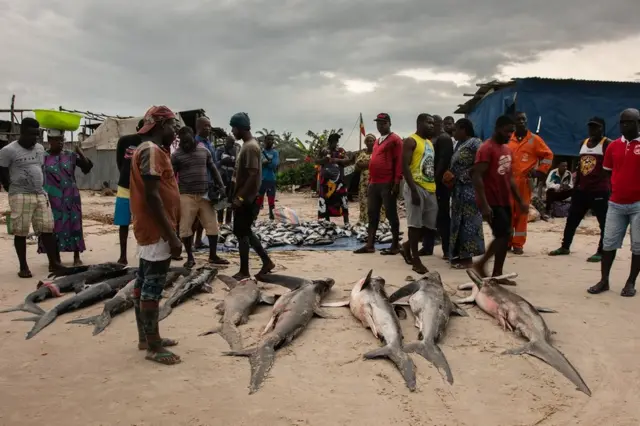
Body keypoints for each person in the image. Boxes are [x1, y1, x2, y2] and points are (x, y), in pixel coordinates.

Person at [129, 105, 182, 365]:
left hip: (151, 229)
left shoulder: (149, 150)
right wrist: (171, 236)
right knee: (152, 286)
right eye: (172, 126)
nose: (175, 131)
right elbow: (152, 196)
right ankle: (154, 346)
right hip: (156, 230)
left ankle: (146, 338)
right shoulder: (150, 151)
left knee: (143, 282)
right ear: (161, 125)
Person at [587, 108, 640, 297]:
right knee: (608, 243)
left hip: (638, 204)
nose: (625, 126)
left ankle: (630, 282)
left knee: (638, 245)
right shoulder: (613, 146)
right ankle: (604, 281)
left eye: (629, 122)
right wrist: (615, 188)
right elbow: (608, 171)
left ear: (638, 123)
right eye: (622, 122)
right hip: (616, 203)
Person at [0, 118, 61, 278]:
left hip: (40, 193)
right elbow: (2, 170)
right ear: (22, 133)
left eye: (37, 135)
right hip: (20, 195)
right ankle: (23, 267)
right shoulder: (8, 150)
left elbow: (40, 168)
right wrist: (9, 187)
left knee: (48, 228)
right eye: (32, 134)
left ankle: (53, 263)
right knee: (21, 231)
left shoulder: (40, 149)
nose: (35, 138)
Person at [472, 115, 528, 284]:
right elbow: (477, 176)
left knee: (505, 236)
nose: (510, 135)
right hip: (491, 200)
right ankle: (481, 264)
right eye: (507, 131)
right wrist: (484, 204)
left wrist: (519, 200)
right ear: (497, 128)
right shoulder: (486, 148)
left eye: (512, 132)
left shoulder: (507, 149)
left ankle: (497, 274)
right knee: (503, 235)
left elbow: (509, 178)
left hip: (505, 200)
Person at [549, 117, 611, 262]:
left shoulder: (607, 144)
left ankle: (602, 251)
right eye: (591, 127)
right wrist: (575, 185)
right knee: (572, 220)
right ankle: (565, 247)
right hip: (582, 190)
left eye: (596, 127)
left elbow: (612, 166)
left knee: (604, 223)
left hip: (599, 190)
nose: (593, 130)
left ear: (602, 128)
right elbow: (580, 166)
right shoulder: (583, 143)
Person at [171, 126, 228, 268]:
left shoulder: (204, 151)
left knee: (212, 226)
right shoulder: (177, 155)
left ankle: (213, 256)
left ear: (193, 136)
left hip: (205, 195)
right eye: (182, 142)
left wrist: (221, 186)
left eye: (188, 141)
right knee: (185, 228)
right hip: (186, 195)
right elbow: (171, 176)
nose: (185, 145)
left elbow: (213, 169)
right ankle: (190, 257)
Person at [229, 112, 275, 280]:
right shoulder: (248, 145)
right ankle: (266, 261)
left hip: (246, 199)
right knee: (245, 231)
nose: (232, 132)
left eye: (233, 128)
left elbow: (253, 175)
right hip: (245, 198)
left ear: (240, 128)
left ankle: (244, 271)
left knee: (241, 233)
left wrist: (240, 198)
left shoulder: (250, 147)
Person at [37, 129, 93, 266]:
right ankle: (55, 258)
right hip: (51, 197)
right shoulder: (42, 157)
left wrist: (80, 152)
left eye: (62, 139)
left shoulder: (71, 155)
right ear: (49, 140)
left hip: (71, 196)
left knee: (74, 224)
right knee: (53, 226)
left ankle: (76, 256)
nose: (60, 143)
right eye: (57, 140)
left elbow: (87, 168)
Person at [354, 113, 402, 255]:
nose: (380, 126)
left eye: (383, 123)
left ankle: (395, 245)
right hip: (374, 183)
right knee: (372, 214)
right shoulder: (377, 141)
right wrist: (370, 182)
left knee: (391, 213)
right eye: (378, 123)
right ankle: (370, 245)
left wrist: (397, 181)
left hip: (387, 182)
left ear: (389, 123)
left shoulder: (395, 140)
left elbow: (399, 161)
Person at [507, 111, 553, 254]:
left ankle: (518, 244)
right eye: (518, 120)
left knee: (521, 213)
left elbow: (548, 155)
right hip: (508, 182)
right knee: (507, 212)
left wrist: (539, 171)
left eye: (524, 119)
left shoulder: (534, 139)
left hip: (524, 183)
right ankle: (507, 241)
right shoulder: (509, 139)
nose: (521, 122)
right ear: (513, 123)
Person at [444, 119, 485, 269]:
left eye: (456, 130)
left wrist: (463, 175)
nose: (453, 133)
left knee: (469, 223)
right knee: (458, 223)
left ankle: (468, 259)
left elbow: (482, 164)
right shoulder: (460, 145)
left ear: (464, 129)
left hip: (469, 189)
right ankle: (459, 255)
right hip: (458, 190)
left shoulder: (475, 143)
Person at [400, 114, 437, 274]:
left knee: (429, 226)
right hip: (415, 187)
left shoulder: (429, 143)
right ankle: (416, 260)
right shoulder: (411, 141)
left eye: (433, 123)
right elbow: (404, 166)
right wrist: (413, 190)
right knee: (414, 225)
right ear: (420, 123)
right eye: (429, 123)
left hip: (430, 188)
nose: (432, 126)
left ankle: (407, 246)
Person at [420, 114, 452, 257]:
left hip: (439, 184)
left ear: (439, 124)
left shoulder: (444, 138)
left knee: (443, 217)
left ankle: (447, 249)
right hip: (428, 182)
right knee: (427, 215)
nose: (431, 126)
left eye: (433, 123)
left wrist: (435, 180)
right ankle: (427, 246)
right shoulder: (429, 139)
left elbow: (443, 162)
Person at [114, 119, 144, 265]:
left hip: (143, 189)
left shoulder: (151, 145)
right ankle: (122, 255)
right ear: (138, 127)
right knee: (123, 222)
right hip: (125, 186)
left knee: (142, 222)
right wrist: (128, 176)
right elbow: (120, 163)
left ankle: (143, 254)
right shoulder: (125, 140)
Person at [316, 133, 352, 224]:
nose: (334, 144)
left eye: (336, 142)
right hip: (326, 182)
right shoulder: (323, 150)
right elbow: (316, 160)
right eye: (332, 142)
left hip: (339, 182)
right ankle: (326, 222)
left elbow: (348, 160)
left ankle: (346, 222)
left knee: (343, 200)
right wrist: (324, 160)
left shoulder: (341, 151)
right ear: (329, 142)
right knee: (325, 200)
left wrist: (337, 160)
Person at [193, 117, 216, 249]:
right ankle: (190, 243)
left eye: (209, 125)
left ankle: (198, 241)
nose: (208, 128)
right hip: (198, 185)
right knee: (194, 217)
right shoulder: (195, 143)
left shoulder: (209, 143)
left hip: (209, 184)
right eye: (205, 126)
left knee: (204, 215)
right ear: (198, 128)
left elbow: (213, 164)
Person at [354, 134, 385, 224]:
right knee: (364, 201)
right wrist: (371, 164)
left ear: (375, 142)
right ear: (365, 142)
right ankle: (365, 221)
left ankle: (379, 222)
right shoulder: (362, 154)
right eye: (368, 141)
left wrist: (366, 164)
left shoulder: (379, 152)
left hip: (377, 182)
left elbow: (380, 164)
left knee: (378, 202)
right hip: (364, 183)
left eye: (372, 140)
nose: (370, 142)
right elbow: (357, 166)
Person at [215, 135, 239, 225]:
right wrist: (222, 161)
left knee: (230, 201)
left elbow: (237, 164)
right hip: (222, 178)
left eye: (233, 143)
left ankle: (228, 223)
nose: (232, 145)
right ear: (226, 141)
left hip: (232, 179)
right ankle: (220, 222)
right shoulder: (220, 150)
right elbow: (215, 164)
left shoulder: (235, 150)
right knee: (222, 201)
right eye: (230, 142)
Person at [257, 134, 280, 220]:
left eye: (272, 140)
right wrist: (266, 163)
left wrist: (264, 163)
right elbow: (257, 164)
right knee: (258, 200)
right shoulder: (260, 152)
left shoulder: (275, 153)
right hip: (260, 179)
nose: (270, 141)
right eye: (268, 140)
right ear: (264, 141)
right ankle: (254, 217)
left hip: (271, 179)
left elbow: (274, 165)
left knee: (271, 201)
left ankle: (272, 218)